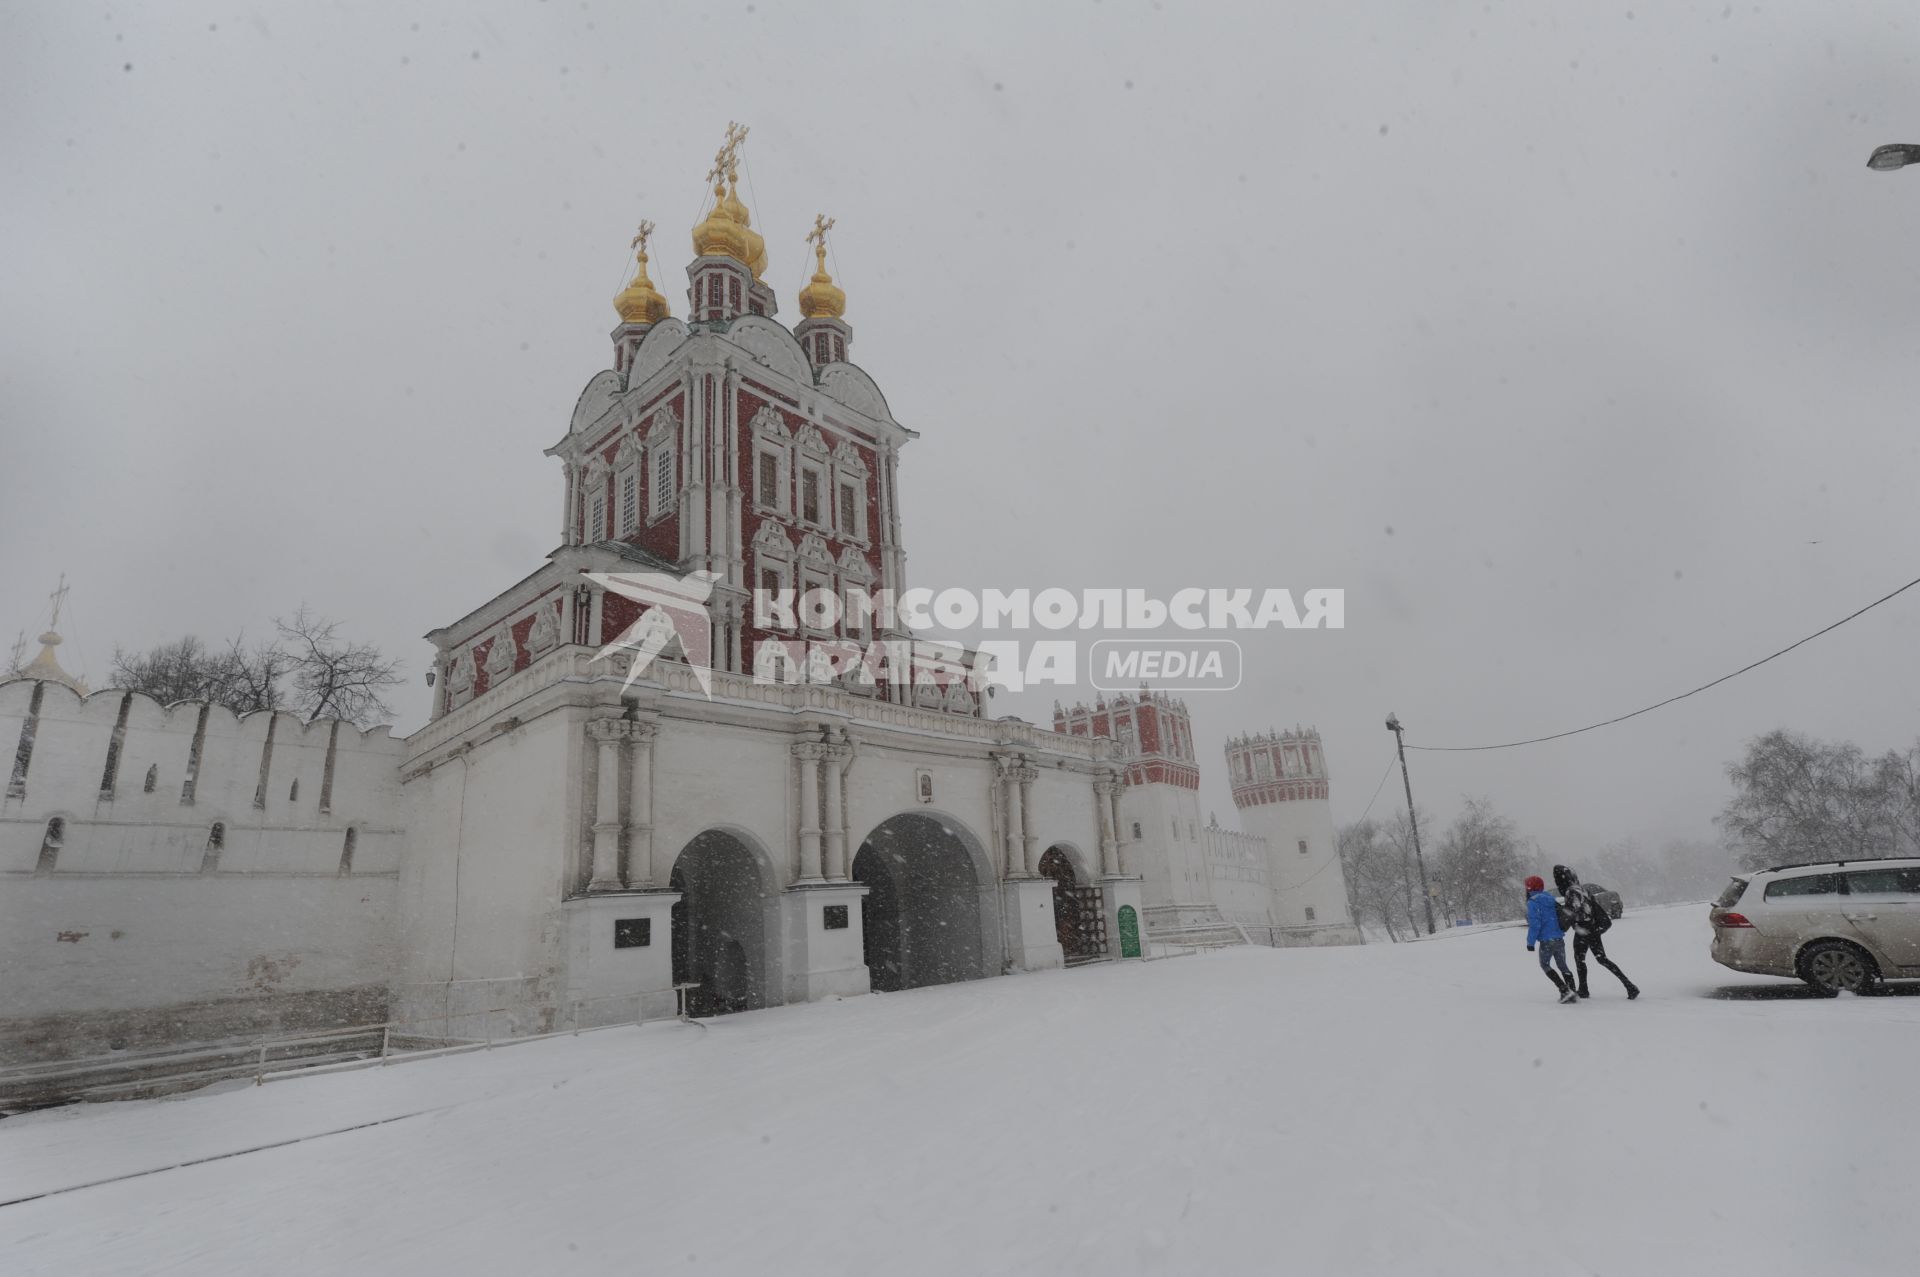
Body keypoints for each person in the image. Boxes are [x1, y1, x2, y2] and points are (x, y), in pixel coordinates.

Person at [1553, 864, 1639, 1000]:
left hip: (1583, 929)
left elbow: (1573, 912)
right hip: (1592, 928)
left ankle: (1584, 989)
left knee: (1581, 960)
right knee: (1600, 959)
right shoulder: (1581, 889)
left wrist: (1559, 910)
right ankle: (1629, 985)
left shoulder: (1571, 892)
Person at [1524, 874, 1577, 1003]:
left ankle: (1564, 990)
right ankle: (1573, 991)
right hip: (1559, 938)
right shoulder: (1550, 898)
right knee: (1563, 966)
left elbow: (1535, 925)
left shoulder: (1532, 903)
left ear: (1530, 888)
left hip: (1546, 940)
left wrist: (1530, 942)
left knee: (1545, 965)